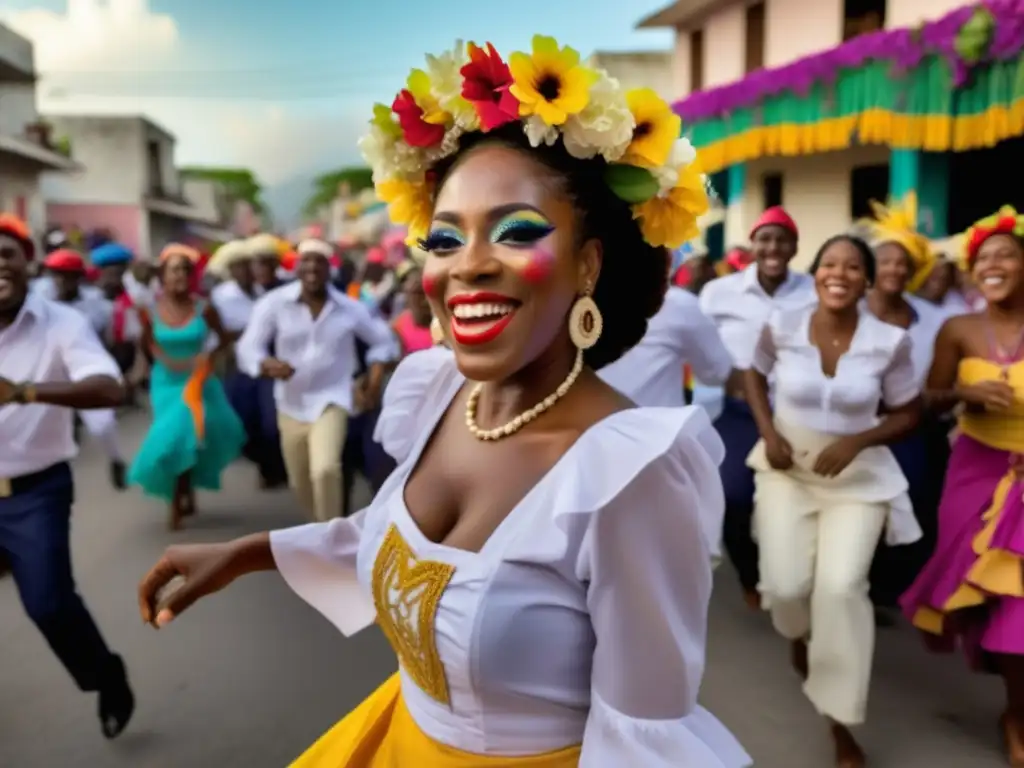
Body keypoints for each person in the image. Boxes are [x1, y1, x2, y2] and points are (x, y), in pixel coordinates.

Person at [138, 36, 750, 767]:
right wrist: (248, 552)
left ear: (588, 264)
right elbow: (398, 534)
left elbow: (643, 737)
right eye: (445, 240)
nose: (469, 267)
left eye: (517, 232)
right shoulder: (442, 393)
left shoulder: (631, 472)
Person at [745, 234, 922, 767]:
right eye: (828, 264)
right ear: (815, 272)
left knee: (842, 590)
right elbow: (753, 376)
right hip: (787, 470)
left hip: (858, 479)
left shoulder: (890, 342)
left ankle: (840, 723)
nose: (838, 273)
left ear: (867, 280)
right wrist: (769, 433)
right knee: (786, 586)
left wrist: (859, 439)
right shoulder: (781, 324)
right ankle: (800, 634)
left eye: (852, 267)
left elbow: (910, 412)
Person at [0, 213, 135, 737]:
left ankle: (106, 676)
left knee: (50, 604)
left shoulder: (61, 323)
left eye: (7, 255)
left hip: (35, 491)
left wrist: (24, 391)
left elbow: (108, 388)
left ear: (26, 263)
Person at [900, 206, 1024, 765]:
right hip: (975, 469)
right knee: (984, 595)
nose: (992, 265)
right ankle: (1016, 706)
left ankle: (1016, 713)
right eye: (983, 259)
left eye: (1006, 255)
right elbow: (929, 399)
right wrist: (966, 397)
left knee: (1019, 605)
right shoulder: (958, 329)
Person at [699, 206, 816, 608]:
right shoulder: (720, 292)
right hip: (737, 412)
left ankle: (793, 577)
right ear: (753, 245)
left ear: (795, 246)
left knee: (799, 495)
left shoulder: (814, 290)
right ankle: (751, 574)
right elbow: (699, 344)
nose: (773, 247)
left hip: (798, 412)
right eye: (765, 238)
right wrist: (719, 374)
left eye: (782, 239)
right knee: (732, 495)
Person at [236, 237, 398, 523]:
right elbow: (248, 347)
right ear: (297, 267)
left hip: (332, 399)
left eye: (319, 262)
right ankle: (320, 531)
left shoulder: (349, 307)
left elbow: (383, 342)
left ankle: (332, 541)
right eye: (306, 261)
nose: (312, 267)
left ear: (329, 269)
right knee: (301, 482)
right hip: (290, 402)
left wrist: (373, 380)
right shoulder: (275, 304)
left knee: (325, 469)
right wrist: (266, 364)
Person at [859, 194, 950, 617]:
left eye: (904, 263)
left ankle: (892, 588)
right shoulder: (849, 312)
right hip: (855, 427)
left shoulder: (932, 319)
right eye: (886, 260)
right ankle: (858, 583)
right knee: (861, 508)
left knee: (913, 504)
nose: (895, 268)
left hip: (913, 429)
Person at [128, 243, 246, 530]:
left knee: (188, 434)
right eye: (173, 270)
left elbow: (224, 338)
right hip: (166, 384)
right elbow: (145, 344)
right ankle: (178, 494)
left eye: (184, 269)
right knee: (172, 440)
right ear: (163, 276)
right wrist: (141, 369)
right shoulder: (150, 310)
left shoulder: (204, 308)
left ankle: (180, 497)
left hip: (199, 382)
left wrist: (210, 357)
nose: (179, 275)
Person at [43, 248, 127, 488]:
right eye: (57, 274)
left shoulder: (97, 303)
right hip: (50, 373)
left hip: (85, 372)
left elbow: (108, 339)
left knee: (103, 424)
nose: (62, 280)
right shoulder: (39, 302)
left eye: (68, 275)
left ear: (79, 277)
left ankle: (116, 460)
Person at [210, 240, 288, 490]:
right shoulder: (222, 296)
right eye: (239, 267)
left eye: (249, 265)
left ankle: (273, 469)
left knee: (270, 421)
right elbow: (217, 333)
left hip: (268, 364)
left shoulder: (268, 291)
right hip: (236, 366)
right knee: (240, 421)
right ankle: (265, 462)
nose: (246, 271)